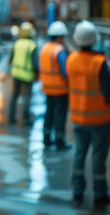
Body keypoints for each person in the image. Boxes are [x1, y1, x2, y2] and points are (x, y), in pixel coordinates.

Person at [67, 20, 110, 206]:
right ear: (94, 39)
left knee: (79, 155)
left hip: (78, 118)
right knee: (98, 157)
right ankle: (100, 194)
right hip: (98, 120)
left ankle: (77, 193)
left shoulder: (71, 59)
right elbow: (109, 93)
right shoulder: (99, 63)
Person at [39, 20, 70, 150]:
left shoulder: (45, 48)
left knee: (49, 113)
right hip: (60, 89)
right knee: (60, 116)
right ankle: (59, 141)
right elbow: (65, 72)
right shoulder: (59, 51)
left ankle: (46, 139)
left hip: (47, 88)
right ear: (60, 36)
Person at [8, 21, 39, 125]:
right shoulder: (32, 45)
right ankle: (25, 119)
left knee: (15, 96)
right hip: (27, 74)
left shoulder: (17, 43)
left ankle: (11, 118)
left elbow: (10, 60)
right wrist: (36, 74)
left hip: (16, 73)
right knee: (26, 96)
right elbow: (36, 64)